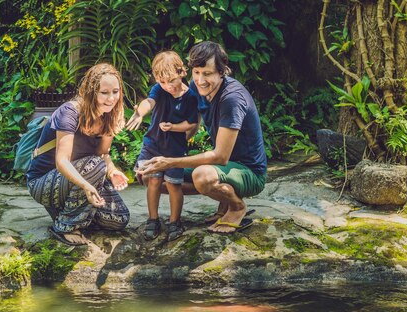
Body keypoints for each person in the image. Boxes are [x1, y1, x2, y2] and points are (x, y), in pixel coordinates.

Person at [137, 41, 267, 234]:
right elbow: (193, 123)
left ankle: (236, 206)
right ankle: (223, 199)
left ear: (222, 71)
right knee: (148, 175)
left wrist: (171, 162)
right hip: (223, 167)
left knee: (202, 177)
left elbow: (221, 156)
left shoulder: (231, 99)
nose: (200, 80)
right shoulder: (196, 87)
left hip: (249, 171)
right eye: (196, 72)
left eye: (207, 74)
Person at [26, 63, 130, 246]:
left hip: (83, 177)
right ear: (91, 92)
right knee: (96, 165)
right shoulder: (70, 112)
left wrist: (113, 172)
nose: (111, 98)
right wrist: (86, 186)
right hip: (43, 181)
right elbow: (62, 161)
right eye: (104, 92)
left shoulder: (110, 116)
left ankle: (66, 211)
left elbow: (103, 154)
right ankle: (65, 226)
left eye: (115, 91)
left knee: (119, 219)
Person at [126, 51, 198, 241]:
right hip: (153, 145)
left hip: (175, 149)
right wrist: (140, 113)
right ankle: (153, 219)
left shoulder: (191, 96)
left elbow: (191, 124)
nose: (168, 86)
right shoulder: (159, 89)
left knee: (174, 185)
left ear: (182, 72)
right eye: (162, 82)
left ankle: (175, 221)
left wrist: (173, 127)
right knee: (153, 181)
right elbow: (149, 102)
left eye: (171, 80)